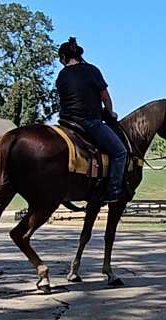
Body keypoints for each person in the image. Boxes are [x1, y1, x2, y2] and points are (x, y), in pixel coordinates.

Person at [56, 37, 127, 203]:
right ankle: (113, 191)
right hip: (89, 123)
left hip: (66, 123)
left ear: (64, 58)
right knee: (120, 152)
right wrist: (111, 113)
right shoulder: (92, 70)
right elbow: (106, 98)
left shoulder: (61, 75)